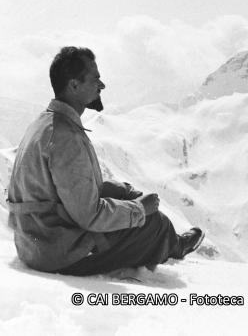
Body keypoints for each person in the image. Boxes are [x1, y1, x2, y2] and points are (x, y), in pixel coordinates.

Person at [6, 46, 204, 275]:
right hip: (58, 253)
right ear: (74, 85)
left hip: (36, 241)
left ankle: (169, 240)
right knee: (153, 223)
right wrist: (138, 209)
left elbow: (68, 191)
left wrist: (123, 193)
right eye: (95, 79)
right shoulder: (65, 138)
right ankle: (174, 246)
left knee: (126, 199)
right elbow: (88, 215)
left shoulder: (46, 123)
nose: (101, 86)